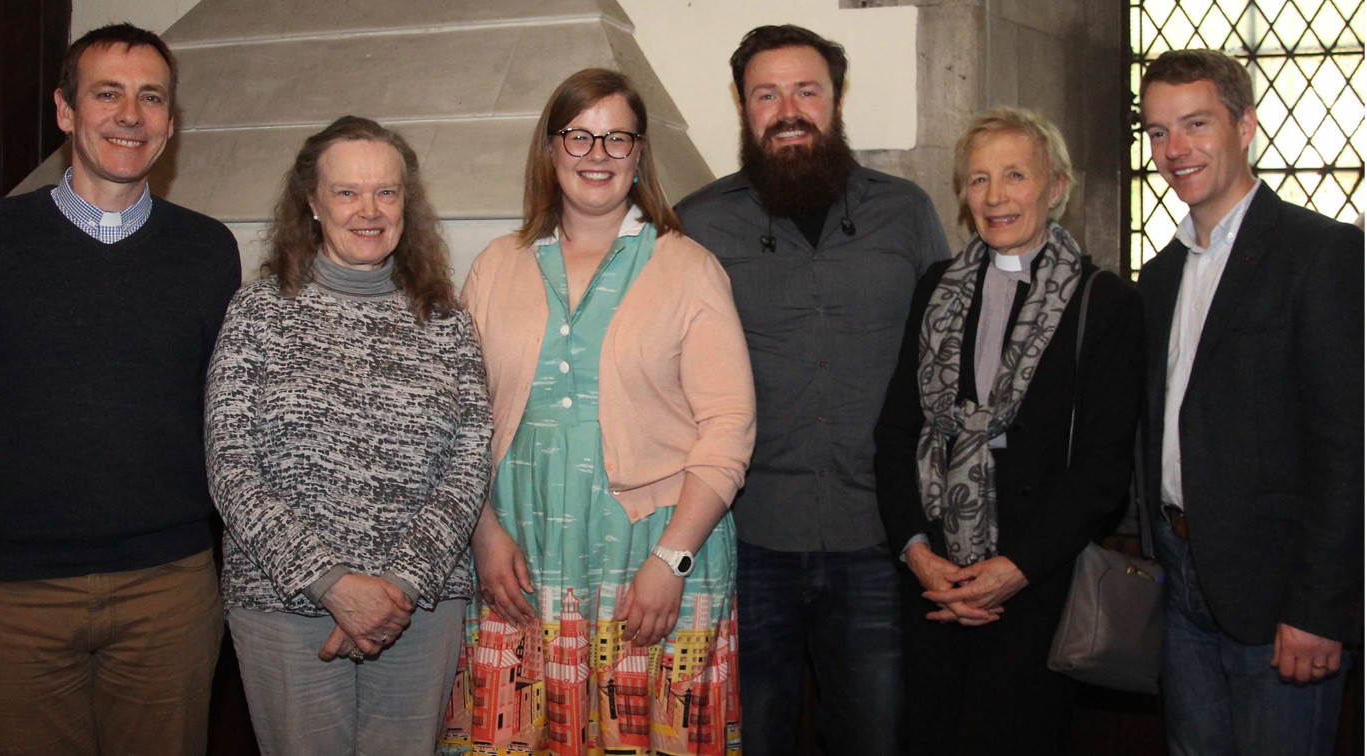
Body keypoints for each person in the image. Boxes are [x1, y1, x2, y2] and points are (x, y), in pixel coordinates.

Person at [0, 23, 240, 756]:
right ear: (66, 110)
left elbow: (221, 407)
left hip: (169, 590)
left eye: (150, 98)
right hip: (17, 592)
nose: (130, 115)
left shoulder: (207, 250)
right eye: (108, 93)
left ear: (170, 122)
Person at [441, 68, 754, 754]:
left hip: (652, 554)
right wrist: (481, 534)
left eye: (618, 139)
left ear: (641, 155)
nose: (598, 155)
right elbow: (456, 419)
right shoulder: (496, 266)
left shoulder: (689, 268)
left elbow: (729, 428)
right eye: (579, 137)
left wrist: (672, 561)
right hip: (518, 557)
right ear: (550, 151)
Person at [674, 24, 949, 754]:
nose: (788, 108)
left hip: (881, 540)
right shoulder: (696, 224)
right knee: (750, 738)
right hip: (744, 541)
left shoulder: (907, 211)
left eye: (806, 90)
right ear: (742, 106)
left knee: (876, 737)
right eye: (767, 94)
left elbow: (948, 363)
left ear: (836, 99)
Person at [205, 115, 491, 755]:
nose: (369, 210)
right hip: (285, 610)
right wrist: (333, 585)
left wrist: (398, 589)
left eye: (387, 192)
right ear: (310, 202)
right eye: (347, 192)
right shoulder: (256, 313)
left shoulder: (447, 322)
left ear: (406, 204)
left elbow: (470, 465)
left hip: (418, 610)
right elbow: (230, 467)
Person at [874, 107, 1143, 754]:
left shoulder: (1103, 302)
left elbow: (1103, 469)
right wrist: (918, 555)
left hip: (1038, 583)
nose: (996, 196)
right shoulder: (935, 288)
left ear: (1055, 187)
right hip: (934, 581)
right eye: (978, 179)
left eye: (1015, 175)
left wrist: (1014, 570)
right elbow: (895, 433)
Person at [1138, 49, 1363, 755]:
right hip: (1180, 578)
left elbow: (1348, 445)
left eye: (1196, 124)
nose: (1176, 149)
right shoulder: (1162, 273)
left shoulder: (1321, 252)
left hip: (1279, 600)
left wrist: (1319, 609)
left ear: (1246, 126)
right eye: (1158, 132)